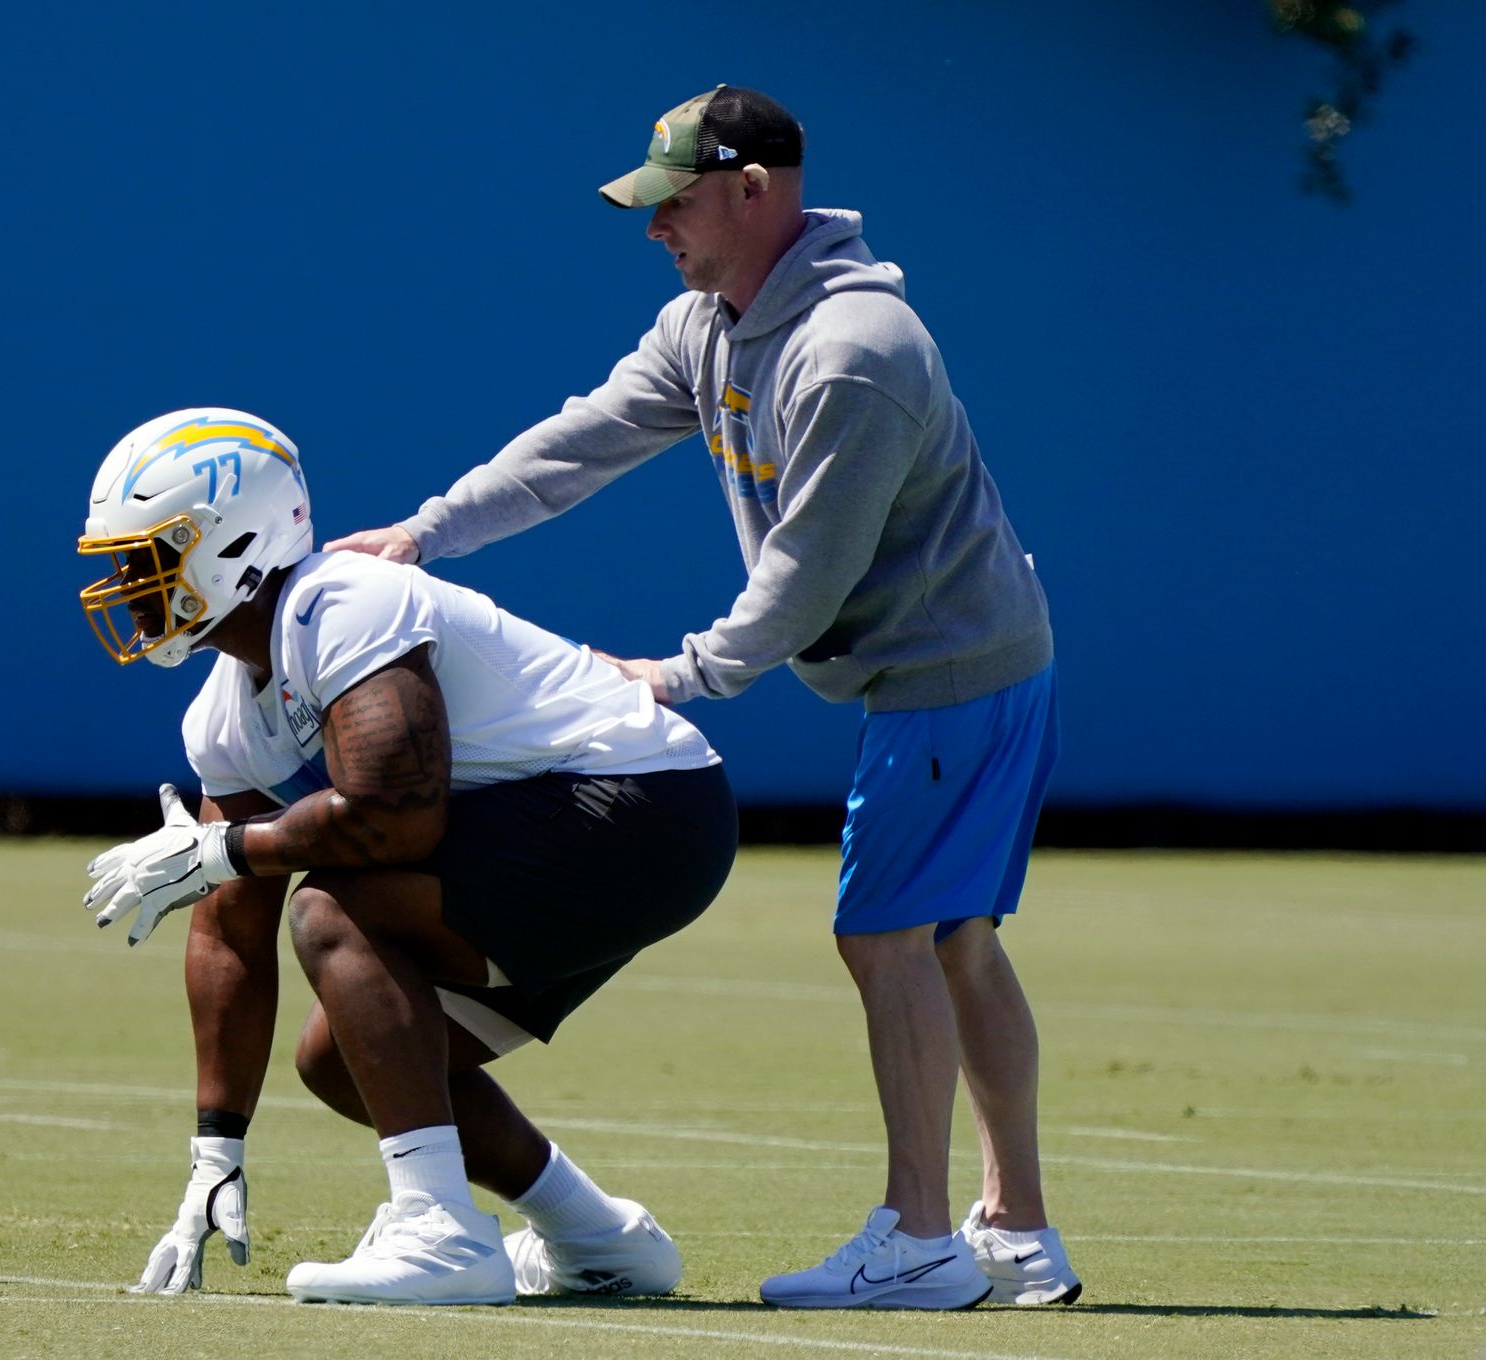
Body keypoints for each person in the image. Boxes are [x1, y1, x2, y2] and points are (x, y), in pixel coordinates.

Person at [325, 86, 1081, 1310]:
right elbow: (581, 442)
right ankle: (1017, 1229)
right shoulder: (710, 325)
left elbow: (804, 578)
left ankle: (924, 1238)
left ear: (752, 190)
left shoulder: (854, 352)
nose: (653, 227)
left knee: (885, 935)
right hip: (975, 663)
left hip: (950, 676)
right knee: (956, 941)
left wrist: (680, 673)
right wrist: (421, 532)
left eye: (673, 201)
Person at [76, 407, 737, 1305]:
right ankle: (599, 1236)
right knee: (344, 1059)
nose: (127, 583)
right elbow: (230, 934)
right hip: (602, 825)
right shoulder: (225, 715)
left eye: (148, 555)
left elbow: (397, 818)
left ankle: (440, 1230)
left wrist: (229, 847)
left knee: (331, 908)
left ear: (234, 542)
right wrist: (214, 1153)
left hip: (644, 801)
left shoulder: (342, 598)